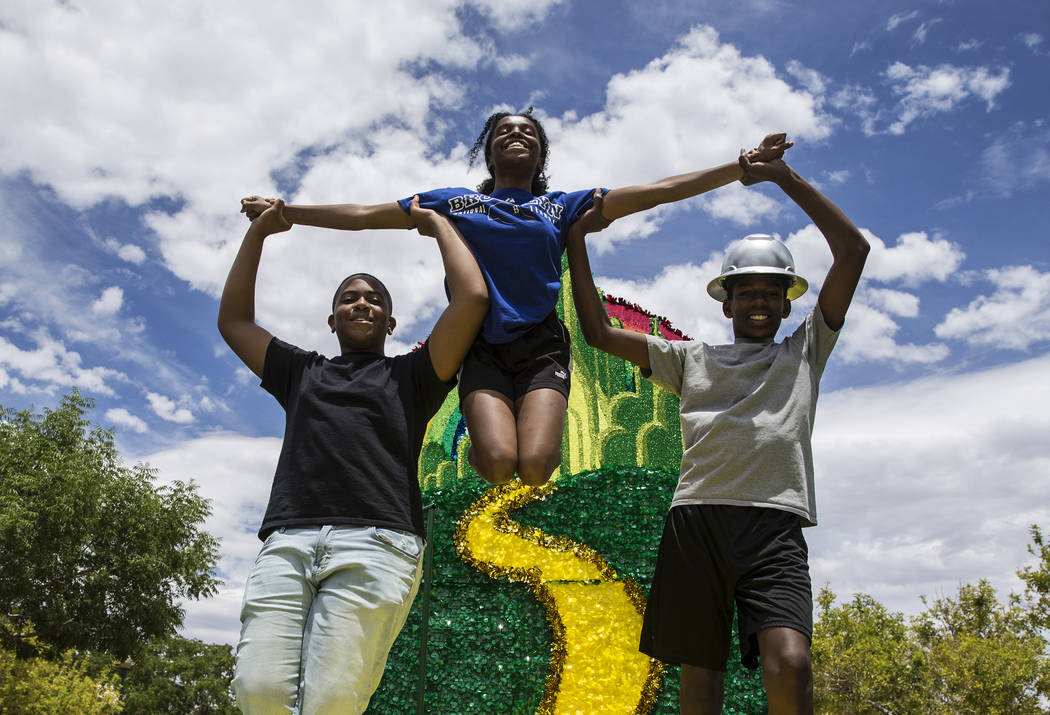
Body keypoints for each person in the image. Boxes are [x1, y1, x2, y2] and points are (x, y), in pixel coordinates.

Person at [241, 109, 791, 488]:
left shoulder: (560, 207)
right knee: (500, 462)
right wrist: (288, 213)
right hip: (479, 348)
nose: (516, 136)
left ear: (540, 152)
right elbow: (365, 215)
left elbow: (656, 191)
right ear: (489, 150)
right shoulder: (452, 203)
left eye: (528, 132)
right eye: (504, 131)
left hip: (541, 347)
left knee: (537, 466)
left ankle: (507, 429)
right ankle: (472, 438)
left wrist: (737, 169)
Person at [565, 149, 869, 714]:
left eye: (772, 292)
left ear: (786, 305)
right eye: (747, 291)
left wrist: (781, 177)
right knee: (700, 676)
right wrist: (575, 241)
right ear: (726, 302)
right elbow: (599, 333)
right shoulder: (690, 360)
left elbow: (853, 250)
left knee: (791, 662)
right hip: (697, 521)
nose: (760, 300)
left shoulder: (804, 352)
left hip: (774, 527)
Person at [217, 196, 488, 714]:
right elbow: (234, 321)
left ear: (389, 323)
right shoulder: (301, 373)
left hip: (379, 541)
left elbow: (472, 298)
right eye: (349, 298)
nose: (362, 303)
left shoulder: (414, 376)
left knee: (332, 701)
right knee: (258, 691)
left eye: (374, 300)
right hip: (289, 541)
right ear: (331, 319)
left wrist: (434, 224)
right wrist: (260, 233)